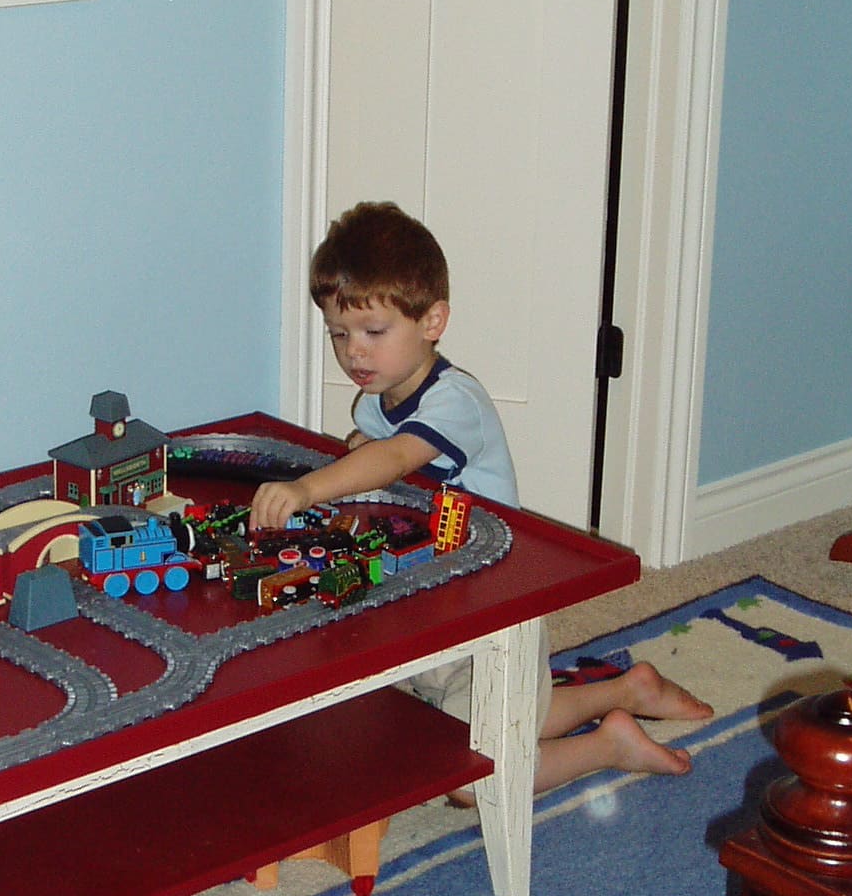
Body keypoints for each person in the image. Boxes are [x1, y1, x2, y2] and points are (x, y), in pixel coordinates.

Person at [251, 202, 710, 793]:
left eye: (373, 332)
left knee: (468, 777)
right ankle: (627, 689)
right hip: (435, 602)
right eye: (339, 334)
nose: (354, 351)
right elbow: (383, 463)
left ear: (433, 321)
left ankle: (608, 745)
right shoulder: (375, 405)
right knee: (450, 723)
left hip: (494, 610)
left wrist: (310, 486)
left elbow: (396, 458)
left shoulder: (455, 402)